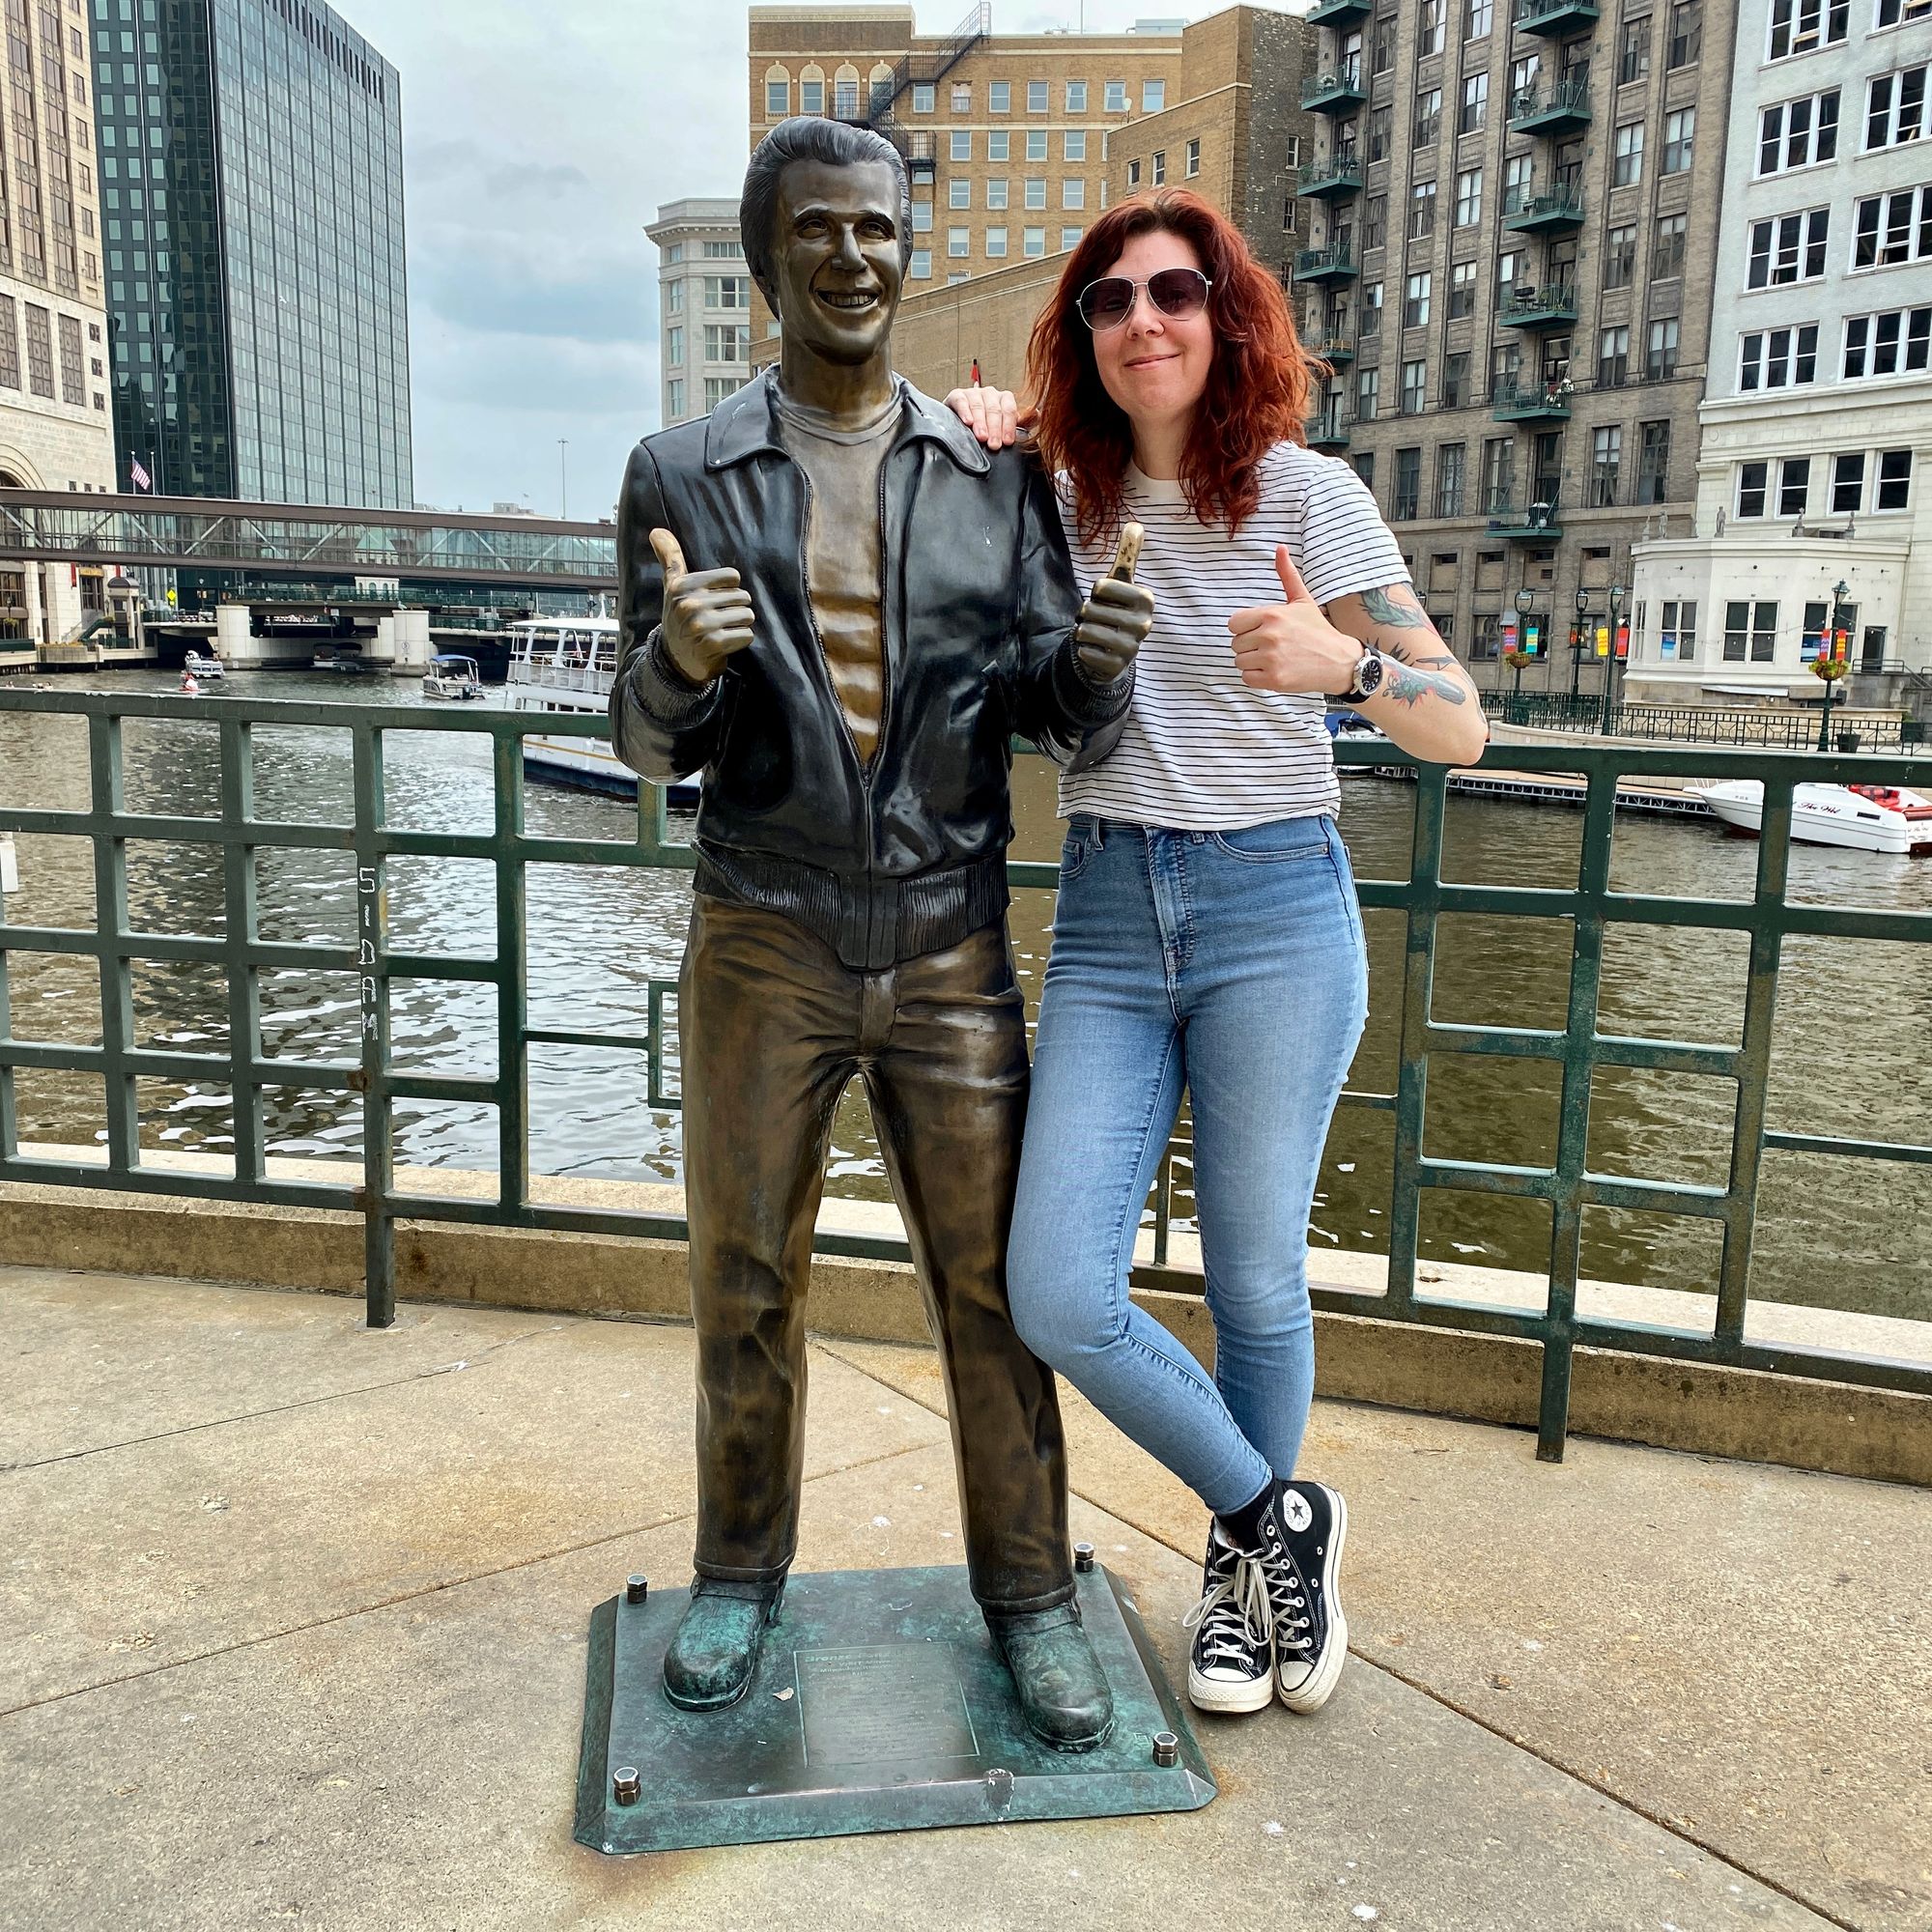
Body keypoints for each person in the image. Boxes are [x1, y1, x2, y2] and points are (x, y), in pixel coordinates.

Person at [606, 117, 1153, 1750]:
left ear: (904, 250)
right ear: (772, 257)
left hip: (948, 945)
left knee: (988, 1291)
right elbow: (646, 745)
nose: (853, 259)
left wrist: (1101, 662)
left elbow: (1060, 723)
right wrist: (678, 670)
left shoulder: (997, 475)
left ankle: (1035, 1601)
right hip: (763, 936)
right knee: (745, 1278)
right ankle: (736, 1572)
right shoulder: (681, 474)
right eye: (820, 232)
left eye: (878, 230)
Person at [945, 187, 1487, 1720]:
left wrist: (1349, 663)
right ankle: (1276, 1522)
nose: (1144, 321)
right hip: (1113, 915)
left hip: (1275, 912)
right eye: (1109, 302)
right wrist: (985, 424)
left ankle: (1238, 1596)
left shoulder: (1309, 501)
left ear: (1226, 315)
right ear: (1084, 339)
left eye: (1174, 291)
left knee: (1254, 1276)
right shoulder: (1060, 498)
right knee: (1056, 1288)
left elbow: (1463, 729)